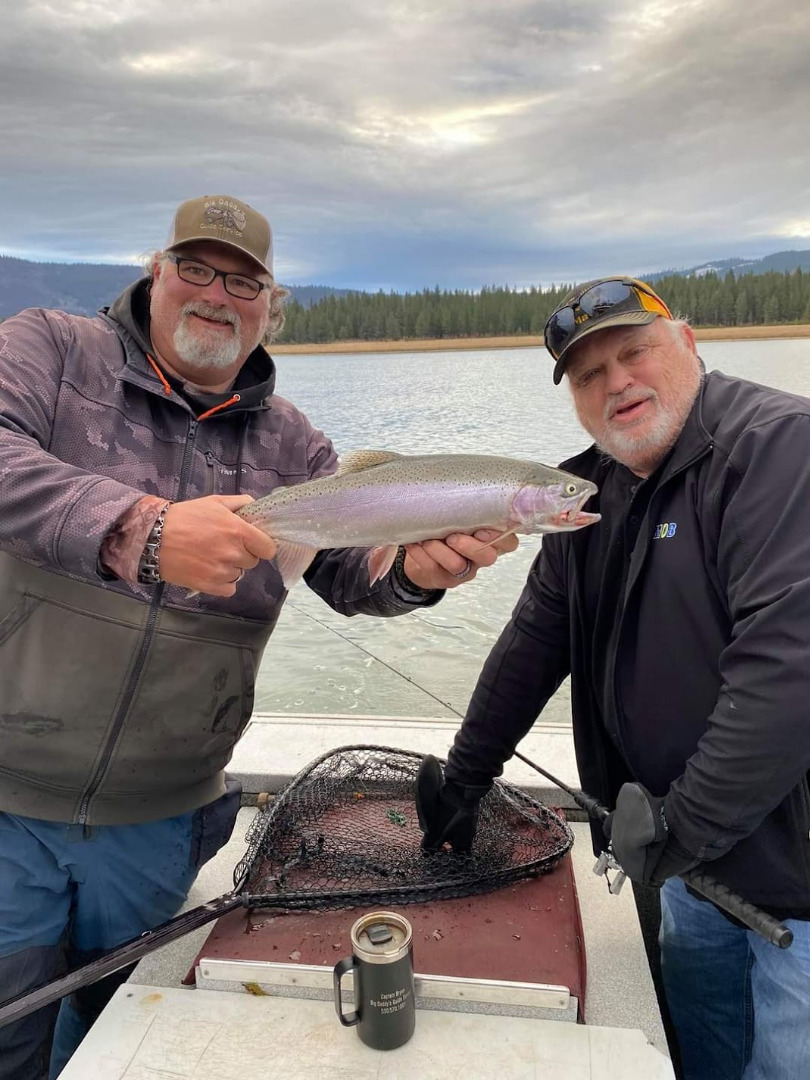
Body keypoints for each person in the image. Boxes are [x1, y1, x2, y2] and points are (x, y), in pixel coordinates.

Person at [0, 194, 516, 1080]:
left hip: (159, 820)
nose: (216, 293)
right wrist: (141, 529)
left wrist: (413, 577)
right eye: (195, 268)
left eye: (243, 280)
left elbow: (354, 579)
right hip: (6, 800)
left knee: (119, 1038)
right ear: (155, 273)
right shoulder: (50, 352)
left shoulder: (296, 448)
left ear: (270, 306)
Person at [416, 277, 810, 1080]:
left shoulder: (779, 449)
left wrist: (680, 828)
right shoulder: (586, 495)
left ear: (690, 344)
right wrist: (465, 778)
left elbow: (787, 674)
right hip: (693, 878)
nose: (616, 383)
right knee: (700, 1054)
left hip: (793, 890)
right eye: (589, 375)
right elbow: (533, 645)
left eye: (634, 353)